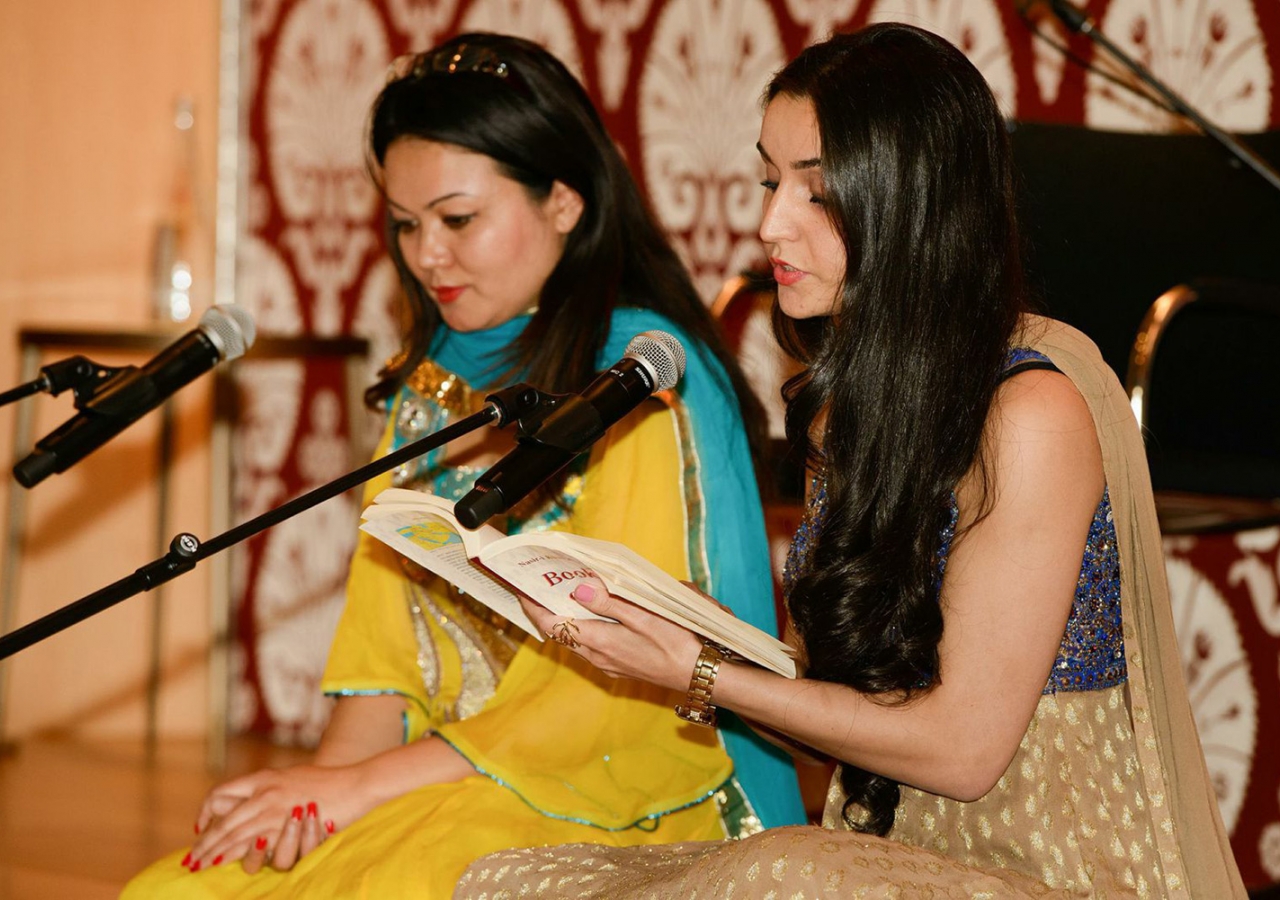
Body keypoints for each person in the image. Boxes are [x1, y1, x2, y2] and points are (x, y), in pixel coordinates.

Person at [455, 23, 1248, 899]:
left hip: (1053, 869)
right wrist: (670, 627)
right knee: (511, 877)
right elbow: (843, 707)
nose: (767, 223)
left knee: (779, 872)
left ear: (914, 202)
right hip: (883, 854)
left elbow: (961, 752)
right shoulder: (843, 410)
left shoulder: (1031, 411)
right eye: (767, 181)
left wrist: (704, 674)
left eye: (817, 193)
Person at [122, 31, 803, 899]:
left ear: (564, 201)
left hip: (634, 778)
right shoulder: (435, 380)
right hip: (451, 781)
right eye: (404, 225)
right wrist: (316, 800)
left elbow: (620, 672)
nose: (425, 255)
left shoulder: (638, 381)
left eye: (457, 219)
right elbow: (383, 651)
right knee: (186, 889)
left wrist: (358, 791)